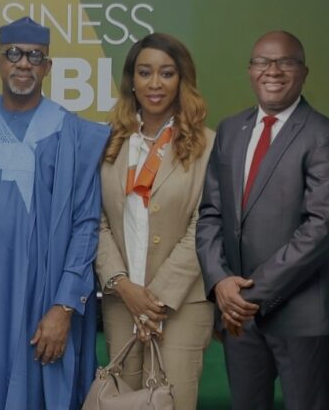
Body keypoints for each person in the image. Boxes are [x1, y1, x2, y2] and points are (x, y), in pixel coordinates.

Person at [0, 16, 110, 410]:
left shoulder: (72, 134)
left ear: (48, 67)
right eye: (14, 54)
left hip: (45, 300)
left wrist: (64, 305)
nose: (24, 64)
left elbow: (86, 225)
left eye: (35, 56)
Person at [196, 30, 329, 410]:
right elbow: (210, 215)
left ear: (304, 71)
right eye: (263, 62)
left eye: (286, 61)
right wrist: (220, 282)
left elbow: (321, 229)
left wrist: (248, 295)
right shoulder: (231, 131)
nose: (274, 70)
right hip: (238, 319)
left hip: (299, 316)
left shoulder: (327, 136)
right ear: (250, 71)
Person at [94, 33, 215, 409]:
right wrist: (123, 286)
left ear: (182, 80)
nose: (155, 83)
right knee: (121, 402)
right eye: (145, 72)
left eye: (167, 73)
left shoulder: (207, 144)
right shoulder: (109, 142)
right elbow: (94, 221)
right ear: (132, 79)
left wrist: (154, 300)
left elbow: (207, 223)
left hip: (181, 305)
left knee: (172, 402)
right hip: (121, 302)